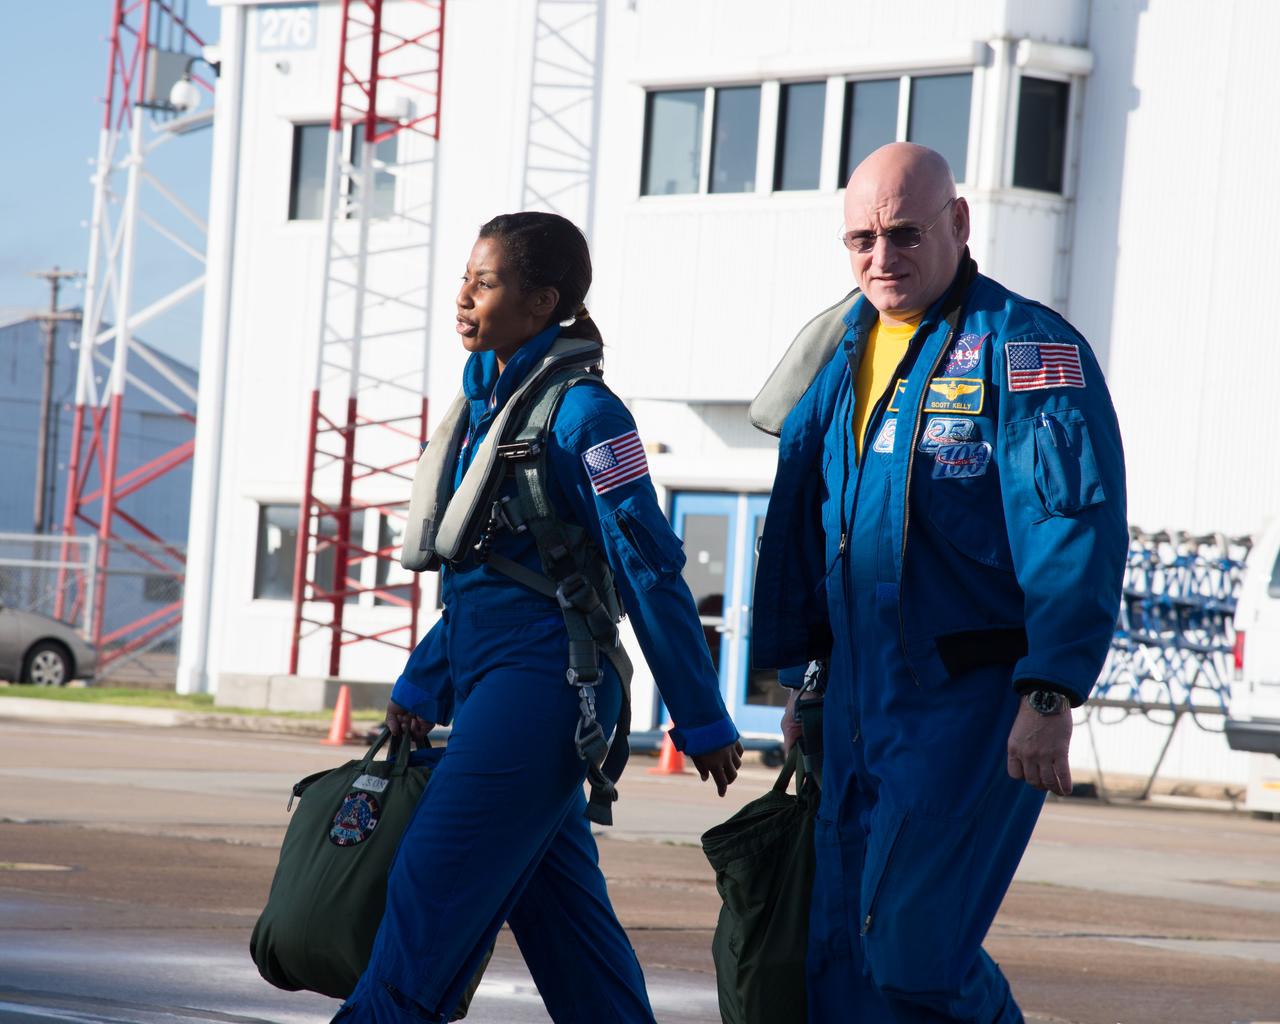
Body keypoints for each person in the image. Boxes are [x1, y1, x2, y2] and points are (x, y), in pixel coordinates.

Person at [334, 211, 743, 1023]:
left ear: (542, 299)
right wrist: (422, 685)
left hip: (546, 686)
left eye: (484, 283)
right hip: (490, 676)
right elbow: (482, 578)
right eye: (466, 278)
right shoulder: (491, 403)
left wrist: (700, 717)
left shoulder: (586, 417)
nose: (462, 297)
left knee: (431, 882)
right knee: (567, 929)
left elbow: (651, 571)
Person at [752, 143, 1128, 1023]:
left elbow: (1070, 525)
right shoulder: (840, 352)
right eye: (861, 241)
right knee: (840, 956)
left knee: (916, 952)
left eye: (904, 233)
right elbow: (821, 529)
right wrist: (811, 679)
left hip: (965, 706)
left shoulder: (1025, 349)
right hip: (854, 698)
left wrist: (1050, 688)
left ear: (959, 224)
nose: (881, 258)